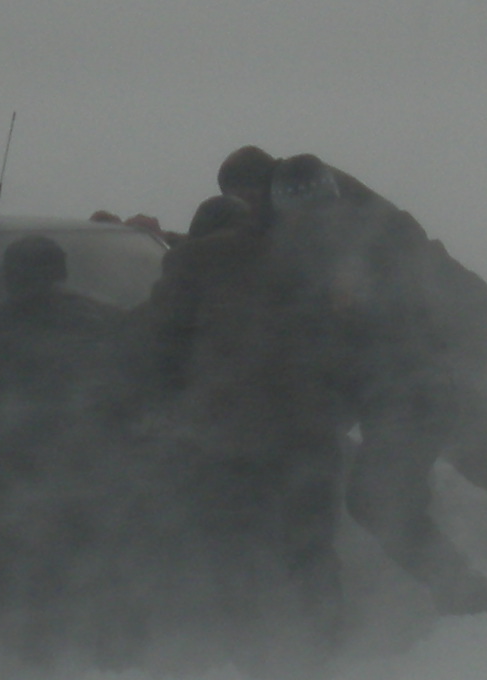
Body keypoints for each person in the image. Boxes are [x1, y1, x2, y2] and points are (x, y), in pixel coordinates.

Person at [273, 154, 487, 614]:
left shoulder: (336, 250)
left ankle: (469, 595)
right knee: (469, 455)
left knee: (377, 497)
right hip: (431, 373)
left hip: (414, 383)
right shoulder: (373, 229)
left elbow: (356, 335)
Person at [133, 174, 351, 647]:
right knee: (310, 546)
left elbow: (160, 343)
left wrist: (170, 404)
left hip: (226, 430)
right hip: (308, 428)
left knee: (233, 546)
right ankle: (328, 647)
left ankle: (247, 651)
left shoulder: (193, 261)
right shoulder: (315, 261)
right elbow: (342, 345)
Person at [0, 233, 137, 660]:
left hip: (15, 480)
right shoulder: (111, 323)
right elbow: (132, 396)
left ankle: (29, 664)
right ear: (63, 273)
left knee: (26, 576)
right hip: (99, 472)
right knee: (101, 572)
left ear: (9, 279)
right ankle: (110, 662)